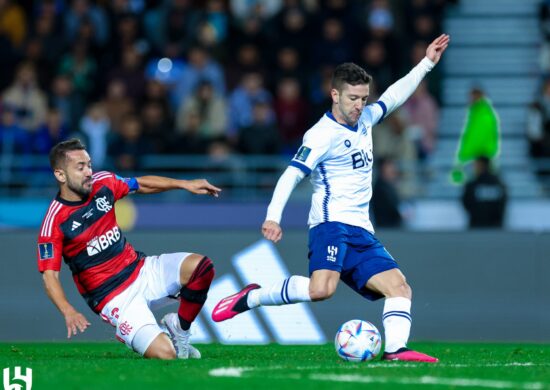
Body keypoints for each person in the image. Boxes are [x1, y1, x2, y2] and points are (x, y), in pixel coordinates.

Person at [212, 34, 450, 363]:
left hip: (361, 229)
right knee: (321, 290)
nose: (359, 105)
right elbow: (291, 175)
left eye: (363, 98)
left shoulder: (365, 119)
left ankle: (395, 350)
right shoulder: (321, 135)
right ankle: (253, 297)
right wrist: (272, 217)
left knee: (400, 287)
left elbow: (395, 96)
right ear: (334, 94)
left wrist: (425, 63)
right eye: (352, 98)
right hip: (330, 224)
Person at [37, 139, 221, 360]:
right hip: (114, 298)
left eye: (89, 164)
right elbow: (50, 276)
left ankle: (180, 329)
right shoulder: (54, 221)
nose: (88, 172)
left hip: (141, 269)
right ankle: (138, 335)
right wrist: (67, 310)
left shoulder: (103, 182)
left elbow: (141, 184)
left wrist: (184, 184)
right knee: (167, 355)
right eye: (80, 167)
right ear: (60, 175)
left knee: (202, 267)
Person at [461, 156, 507, 228]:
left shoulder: (472, 185)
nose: (474, 168)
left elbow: (466, 202)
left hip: (476, 225)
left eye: (476, 165)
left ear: (483, 165)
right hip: (495, 226)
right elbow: (503, 203)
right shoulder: (498, 183)